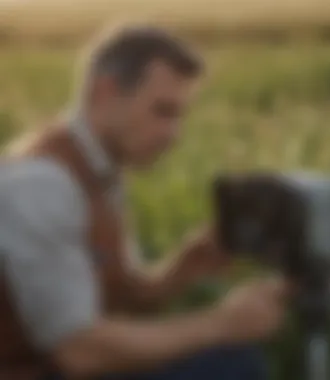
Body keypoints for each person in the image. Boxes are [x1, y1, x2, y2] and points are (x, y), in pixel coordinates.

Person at [0, 26, 289, 380]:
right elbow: (79, 351)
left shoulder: (100, 169)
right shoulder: (42, 186)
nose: (174, 135)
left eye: (179, 115)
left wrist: (184, 267)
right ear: (104, 92)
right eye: (162, 112)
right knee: (231, 363)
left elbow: (119, 300)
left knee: (229, 358)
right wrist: (219, 324)